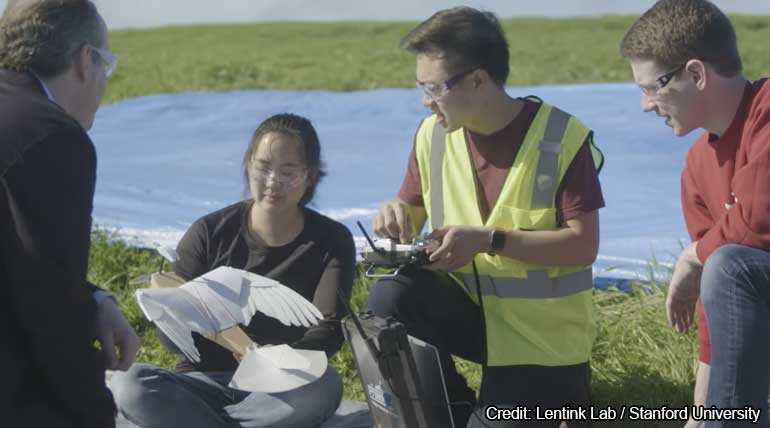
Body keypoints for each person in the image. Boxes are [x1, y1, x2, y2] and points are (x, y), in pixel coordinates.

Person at [367, 7, 605, 428]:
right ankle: (453, 409)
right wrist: (394, 216)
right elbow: (409, 217)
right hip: (474, 320)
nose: (426, 100)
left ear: (479, 80)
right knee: (390, 297)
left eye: (435, 88)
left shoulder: (560, 138)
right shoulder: (432, 135)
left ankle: (568, 393)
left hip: (543, 342)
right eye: (421, 87)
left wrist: (489, 239)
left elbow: (583, 247)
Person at [110, 113, 356, 428]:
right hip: (203, 382)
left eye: (287, 172)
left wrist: (280, 360)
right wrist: (169, 313)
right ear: (248, 165)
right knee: (129, 384)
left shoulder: (332, 240)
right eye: (263, 167)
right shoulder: (208, 232)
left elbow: (329, 328)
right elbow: (174, 342)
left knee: (325, 385)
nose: (273, 182)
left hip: (280, 389)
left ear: (310, 176)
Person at [620, 1, 770, 427]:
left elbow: (760, 217)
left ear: (697, 74)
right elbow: (718, 298)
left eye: (652, 87)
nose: (646, 105)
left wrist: (692, 257)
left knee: (726, 263)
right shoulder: (696, 167)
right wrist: (701, 410)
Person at [0, 1, 139, 427]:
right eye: (106, 66)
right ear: (85, 60)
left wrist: (94, 299)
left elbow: (21, 256)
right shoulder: (51, 137)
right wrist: (95, 413)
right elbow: (49, 310)